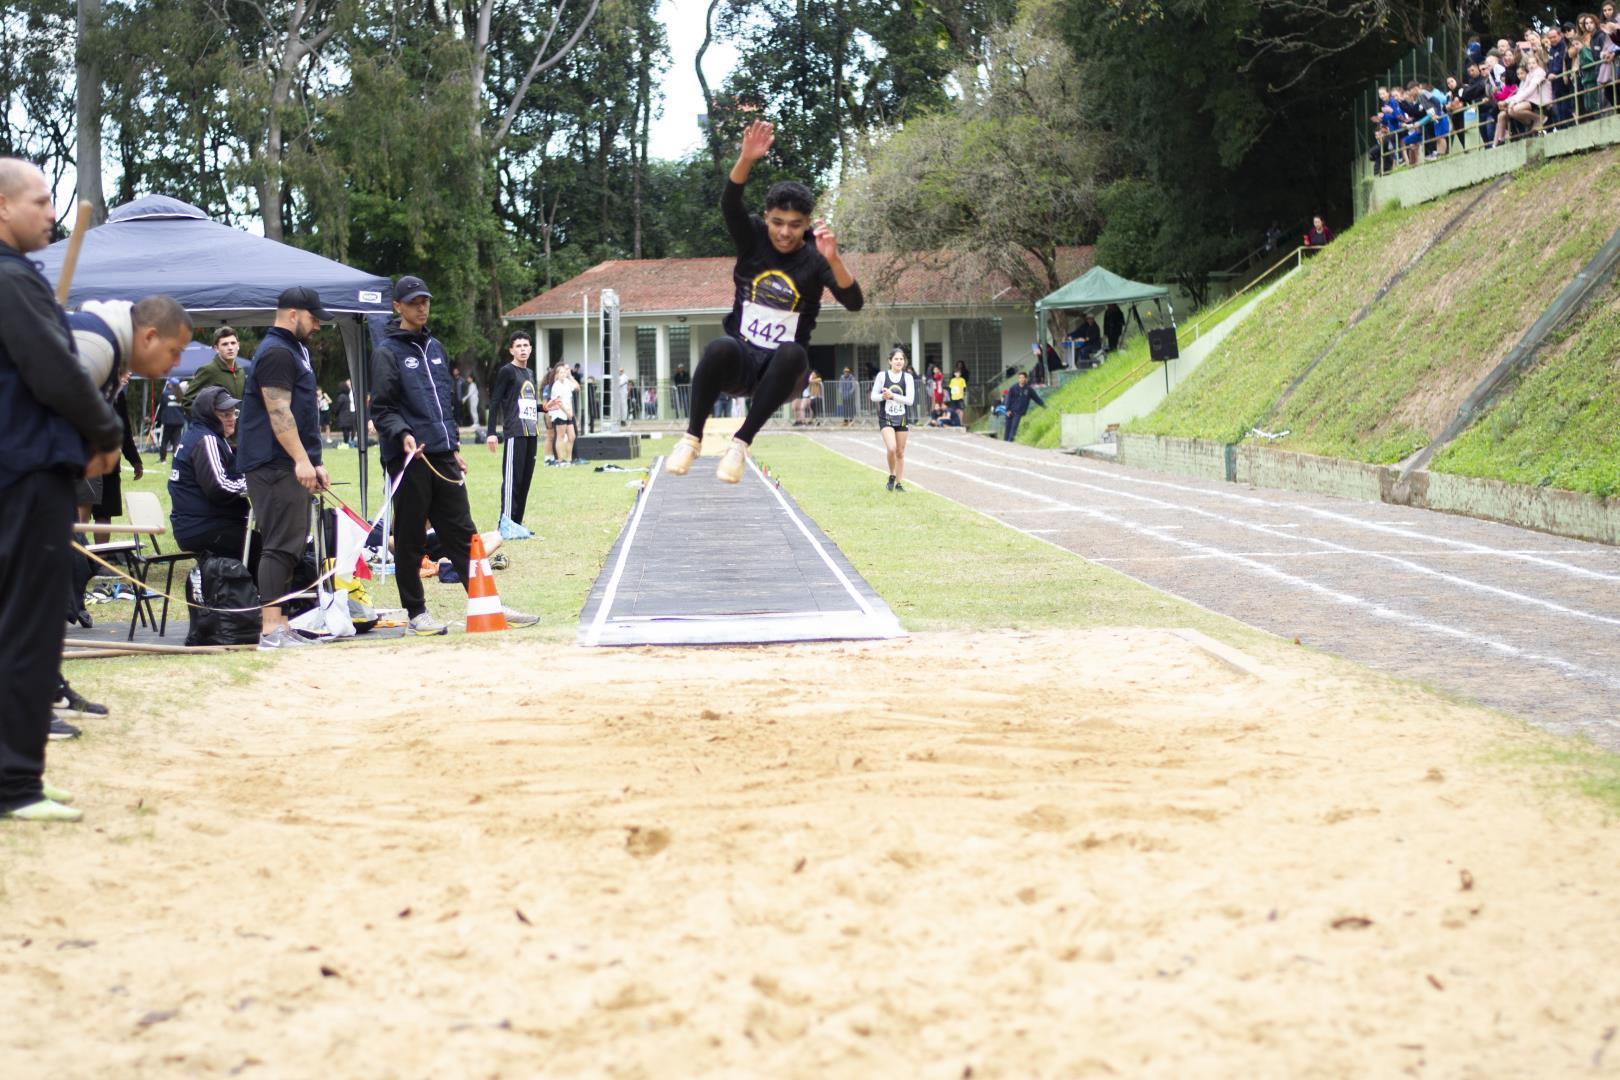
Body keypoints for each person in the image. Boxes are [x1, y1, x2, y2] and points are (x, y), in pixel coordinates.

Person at [0, 157, 125, 821]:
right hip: (27, 472)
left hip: (12, 466)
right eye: (42, 200)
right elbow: (59, 373)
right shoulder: (13, 281)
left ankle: (11, 772)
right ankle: (16, 783)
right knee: (29, 626)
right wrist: (105, 433)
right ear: (3, 208)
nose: (52, 212)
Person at [664, 120, 864, 482]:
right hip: (742, 359)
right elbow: (730, 203)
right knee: (719, 347)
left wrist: (833, 259)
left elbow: (854, 302)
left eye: (794, 224)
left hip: (784, 373)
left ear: (806, 224)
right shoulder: (753, 238)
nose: (785, 232)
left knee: (793, 352)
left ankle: (740, 444)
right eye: (777, 222)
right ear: (767, 218)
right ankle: (692, 438)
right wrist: (745, 158)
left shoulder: (816, 259)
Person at [370, 275, 537, 635]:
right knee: (411, 538)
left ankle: (488, 601)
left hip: (443, 455)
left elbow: (444, 403)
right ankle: (417, 613)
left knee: (464, 533)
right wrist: (403, 435)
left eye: (425, 300)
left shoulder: (436, 348)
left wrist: (455, 447)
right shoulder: (387, 352)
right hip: (409, 458)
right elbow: (382, 409)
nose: (422, 306)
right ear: (398, 306)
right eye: (414, 301)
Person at [237, 286, 331, 650]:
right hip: (273, 464)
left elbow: (304, 414)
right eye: (313, 317)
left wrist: (314, 460)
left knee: (291, 544)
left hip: (288, 461)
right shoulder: (276, 351)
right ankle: (270, 629)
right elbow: (279, 413)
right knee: (278, 545)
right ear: (293, 314)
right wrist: (301, 460)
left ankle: (282, 624)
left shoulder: (295, 349)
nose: (318, 324)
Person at [169, 386, 254, 564]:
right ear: (209, 415)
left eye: (233, 413)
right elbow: (219, 486)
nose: (232, 419)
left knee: (261, 544)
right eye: (225, 415)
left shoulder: (205, 435)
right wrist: (256, 484)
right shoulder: (206, 440)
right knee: (265, 549)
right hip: (203, 527)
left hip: (197, 524)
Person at [485, 330, 540, 532]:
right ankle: (506, 524)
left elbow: (527, 402)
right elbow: (496, 401)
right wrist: (491, 432)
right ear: (511, 350)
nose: (523, 349)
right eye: (518, 346)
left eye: (526, 345)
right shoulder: (507, 371)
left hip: (531, 433)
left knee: (525, 481)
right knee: (512, 481)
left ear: (531, 349)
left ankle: (517, 524)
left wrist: (544, 407)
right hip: (515, 433)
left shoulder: (530, 373)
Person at [871, 347, 915, 492]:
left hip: (901, 418)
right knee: (891, 448)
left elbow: (910, 400)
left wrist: (893, 396)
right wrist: (883, 396)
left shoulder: (907, 377)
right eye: (896, 359)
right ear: (890, 361)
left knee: (900, 452)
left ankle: (899, 483)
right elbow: (873, 396)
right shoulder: (882, 376)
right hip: (886, 417)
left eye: (901, 359)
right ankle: (892, 474)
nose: (899, 361)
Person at [183, 326, 246, 411]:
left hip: (238, 423)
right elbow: (187, 402)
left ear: (238, 345)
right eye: (225, 344)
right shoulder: (208, 370)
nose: (230, 347)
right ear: (216, 348)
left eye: (233, 343)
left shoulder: (240, 371)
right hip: (216, 423)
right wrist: (211, 420)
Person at [546, 362, 578, 464]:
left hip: (568, 412)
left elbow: (577, 387)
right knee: (560, 436)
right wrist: (567, 412)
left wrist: (570, 376)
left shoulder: (567, 382)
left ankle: (568, 460)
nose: (563, 374)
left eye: (564, 372)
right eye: (561, 372)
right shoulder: (556, 385)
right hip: (560, 413)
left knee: (572, 436)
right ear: (557, 374)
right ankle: (560, 460)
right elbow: (559, 402)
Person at [1002, 370, 1044, 442]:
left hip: (1018, 413)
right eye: (1020, 378)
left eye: (1023, 377)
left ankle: (1010, 442)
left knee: (1014, 428)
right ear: (1018, 379)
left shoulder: (1029, 389)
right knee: (1007, 429)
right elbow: (1007, 399)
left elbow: (1036, 398)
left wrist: (1044, 405)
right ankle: (1005, 443)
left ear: (1026, 379)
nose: (1021, 379)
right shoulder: (1012, 388)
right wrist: (1007, 410)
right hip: (1010, 411)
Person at [157, 377, 186, 461]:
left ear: (170, 385)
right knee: (176, 441)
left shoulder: (165, 394)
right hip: (179, 421)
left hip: (168, 421)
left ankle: (162, 459)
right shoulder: (181, 395)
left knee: (164, 440)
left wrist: (158, 420)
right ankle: (176, 458)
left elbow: (161, 408)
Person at [334, 378, 355, 447]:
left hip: (343, 416)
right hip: (348, 415)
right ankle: (348, 442)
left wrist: (334, 411)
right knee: (348, 430)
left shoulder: (341, 397)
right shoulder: (347, 396)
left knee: (345, 431)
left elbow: (337, 407)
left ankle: (346, 443)